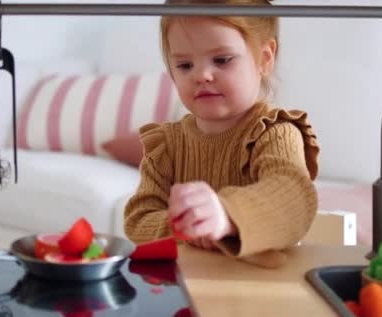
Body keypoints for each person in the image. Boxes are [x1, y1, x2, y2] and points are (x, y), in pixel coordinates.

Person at [124, 0, 319, 268]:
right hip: (185, 292)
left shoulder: (275, 132)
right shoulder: (166, 145)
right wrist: (187, 225)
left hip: (256, 293)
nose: (202, 75)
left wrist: (227, 216)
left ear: (265, 58)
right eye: (184, 65)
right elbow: (137, 222)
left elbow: (294, 199)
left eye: (221, 60)